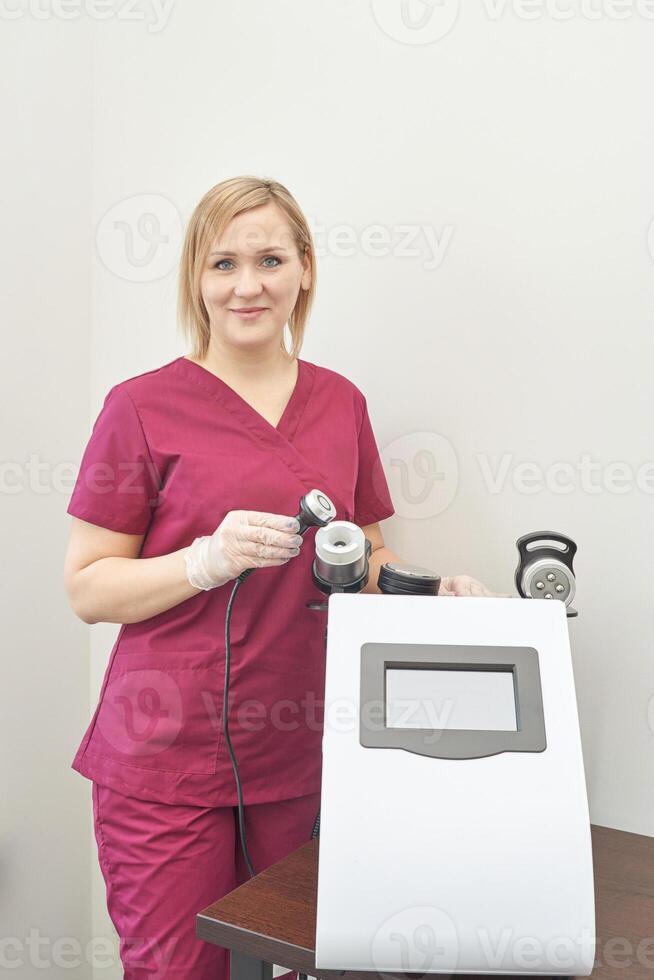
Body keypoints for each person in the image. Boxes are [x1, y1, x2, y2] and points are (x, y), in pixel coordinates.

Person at [64, 175, 506, 980]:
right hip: (165, 758)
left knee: (309, 965)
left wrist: (430, 593)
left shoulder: (340, 403)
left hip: (299, 751)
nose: (247, 285)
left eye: (269, 259)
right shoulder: (140, 408)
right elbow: (88, 586)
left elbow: (364, 557)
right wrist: (205, 561)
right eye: (222, 264)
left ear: (303, 268)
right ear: (196, 280)